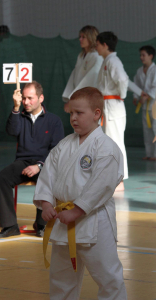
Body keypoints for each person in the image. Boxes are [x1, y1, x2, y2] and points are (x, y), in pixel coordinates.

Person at [33, 87, 127, 300]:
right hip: (62, 221)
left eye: (79, 113)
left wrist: (77, 210)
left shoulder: (106, 148)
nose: (73, 118)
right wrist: (47, 204)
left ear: (96, 114)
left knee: (109, 278)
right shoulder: (64, 145)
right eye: (71, 113)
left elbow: (102, 185)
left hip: (94, 221)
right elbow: (48, 174)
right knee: (61, 280)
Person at [0, 81, 64, 238]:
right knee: (1, 179)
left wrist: (39, 165)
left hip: (45, 164)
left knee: (48, 178)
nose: (26, 102)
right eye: (23, 98)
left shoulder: (54, 121)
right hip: (22, 162)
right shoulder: (19, 115)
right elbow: (12, 131)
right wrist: (15, 107)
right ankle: (10, 225)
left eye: (30, 98)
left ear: (41, 98)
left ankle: (41, 224)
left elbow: (57, 151)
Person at [96, 31, 129, 191]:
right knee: (108, 143)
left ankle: (120, 180)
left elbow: (123, 79)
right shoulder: (106, 61)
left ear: (105, 45)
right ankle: (111, 178)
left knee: (116, 142)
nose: (96, 47)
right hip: (107, 104)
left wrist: (121, 95)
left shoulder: (113, 61)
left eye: (97, 44)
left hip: (113, 104)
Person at [62, 25, 103, 113]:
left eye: (83, 37)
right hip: (81, 98)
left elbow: (90, 79)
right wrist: (71, 97)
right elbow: (74, 76)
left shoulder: (96, 56)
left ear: (91, 38)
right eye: (80, 37)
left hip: (90, 98)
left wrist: (74, 99)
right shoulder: (81, 56)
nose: (80, 39)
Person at [133, 45, 156, 160]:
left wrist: (147, 96)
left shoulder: (155, 69)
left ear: (151, 56)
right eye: (140, 55)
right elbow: (136, 86)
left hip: (154, 104)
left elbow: (155, 87)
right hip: (144, 106)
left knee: (155, 129)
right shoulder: (139, 71)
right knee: (147, 131)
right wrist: (135, 96)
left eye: (144, 55)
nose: (141, 57)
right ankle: (149, 154)